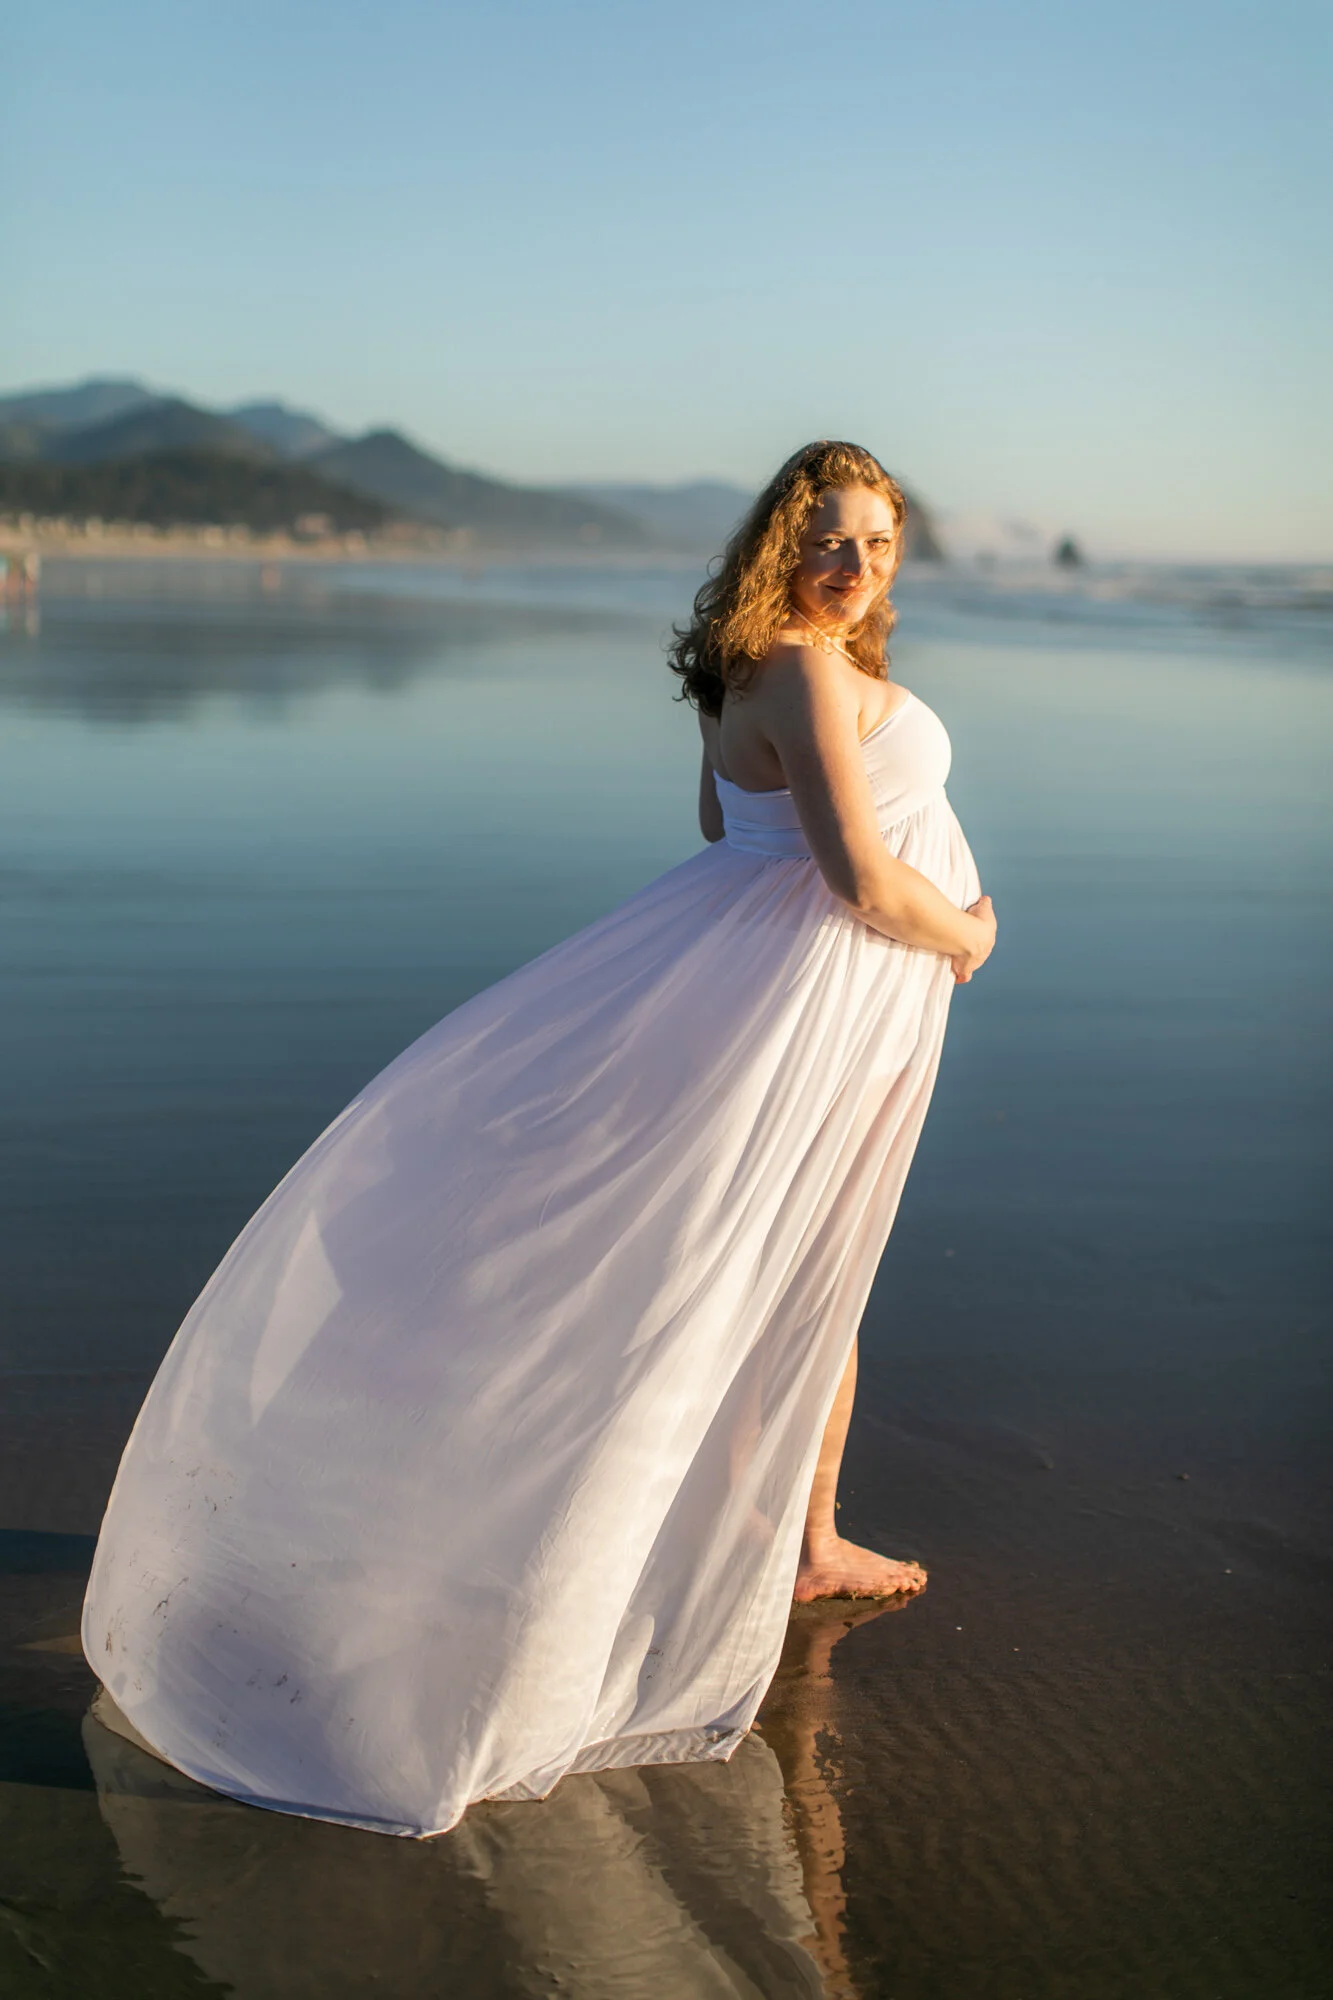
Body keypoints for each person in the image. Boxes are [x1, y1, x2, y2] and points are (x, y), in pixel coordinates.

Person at [82, 440, 995, 1838]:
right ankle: (652, 1555)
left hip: (798, 996)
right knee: (758, 1279)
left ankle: (809, 1540)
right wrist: (973, 932)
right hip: (806, 999)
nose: (854, 564)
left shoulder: (748, 668)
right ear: (778, 541)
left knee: (809, 1272)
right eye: (828, 538)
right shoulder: (806, 667)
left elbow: (721, 821)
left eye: (877, 542)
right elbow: (858, 875)